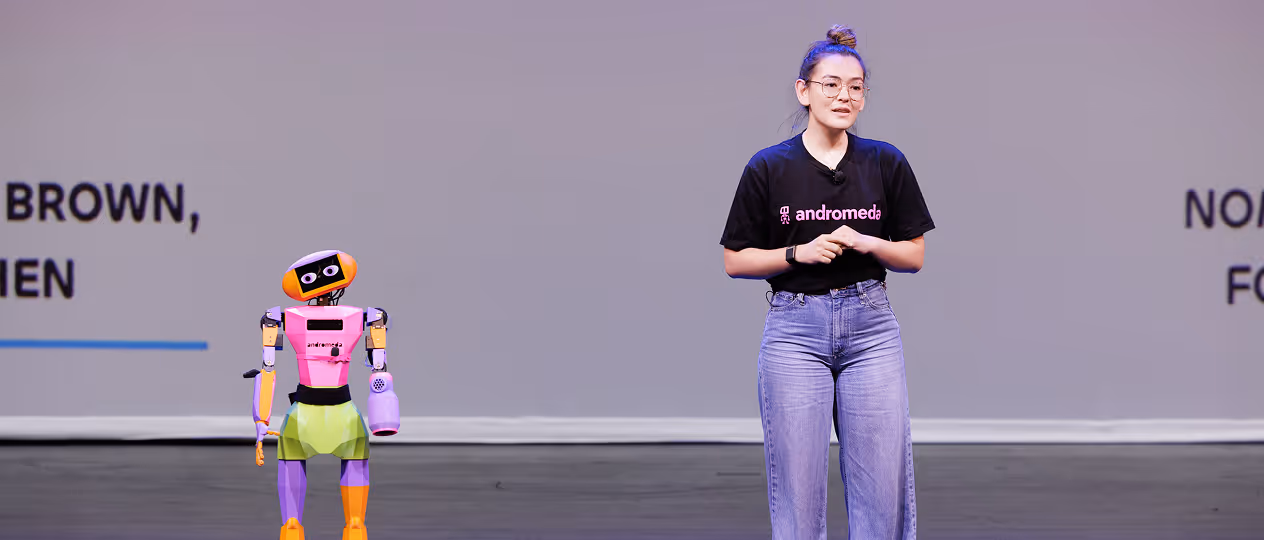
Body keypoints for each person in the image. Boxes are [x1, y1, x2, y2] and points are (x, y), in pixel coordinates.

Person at [719, 24, 934, 540]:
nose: (844, 96)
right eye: (831, 84)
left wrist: (866, 242)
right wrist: (798, 253)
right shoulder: (769, 167)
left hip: (871, 329)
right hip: (795, 330)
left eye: (855, 86)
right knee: (796, 489)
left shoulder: (885, 162)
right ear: (804, 91)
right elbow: (735, 260)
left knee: (883, 487)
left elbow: (914, 255)